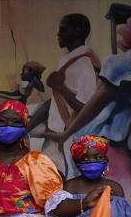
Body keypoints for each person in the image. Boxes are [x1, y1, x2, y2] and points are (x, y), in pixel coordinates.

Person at [46, 17, 131, 209]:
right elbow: (93, 104)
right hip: (100, 145)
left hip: (109, 147)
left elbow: (91, 106)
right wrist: (66, 133)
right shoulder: (128, 67)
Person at [27, 14, 100, 174]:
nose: (58, 34)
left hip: (72, 138)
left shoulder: (85, 62)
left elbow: (87, 108)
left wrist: (60, 87)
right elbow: (54, 103)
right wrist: (27, 128)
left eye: (63, 30)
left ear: (78, 32)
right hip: (54, 138)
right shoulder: (67, 60)